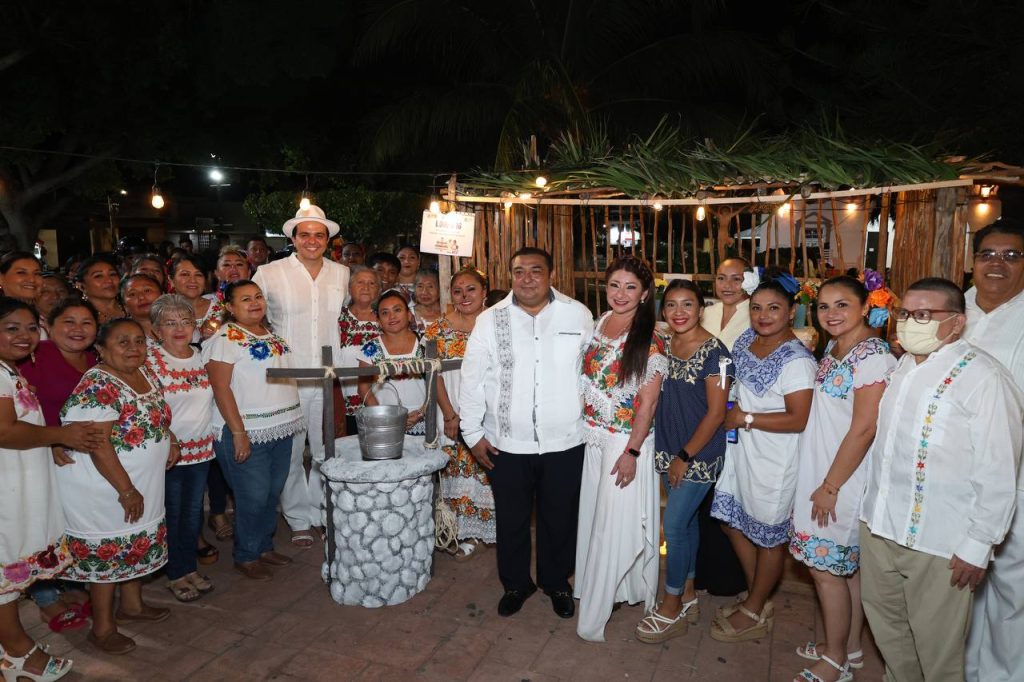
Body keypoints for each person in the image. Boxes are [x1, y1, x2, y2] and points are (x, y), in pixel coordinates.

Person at [860, 277, 1023, 682]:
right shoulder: (903, 365)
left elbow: (999, 467)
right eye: (905, 313)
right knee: (891, 636)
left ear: (956, 322)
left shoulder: (984, 377)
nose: (909, 322)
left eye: (923, 314)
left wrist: (979, 544)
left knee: (938, 656)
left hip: (939, 543)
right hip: (880, 527)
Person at [460, 247, 594, 619]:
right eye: (519, 271)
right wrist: (472, 434)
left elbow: (592, 373)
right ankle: (516, 583)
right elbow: (471, 379)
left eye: (536, 270)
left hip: (567, 440)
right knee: (512, 519)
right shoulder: (490, 320)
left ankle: (556, 582)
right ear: (511, 276)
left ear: (552, 275)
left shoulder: (577, 314)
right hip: (505, 442)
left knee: (560, 517)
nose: (527, 278)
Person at [788, 276, 895, 682]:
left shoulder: (873, 357)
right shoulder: (836, 347)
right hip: (822, 469)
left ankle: (834, 662)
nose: (831, 314)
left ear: (865, 307)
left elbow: (865, 428)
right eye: (823, 306)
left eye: (842, 305)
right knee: (845, 570)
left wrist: (831, 486)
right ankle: (849, 648)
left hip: (843, 478)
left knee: (826, 570)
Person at [58, 318, 177, 655]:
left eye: (139, 341)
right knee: (109, 553)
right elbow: (98, 444)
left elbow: (154, 415)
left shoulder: (143, 372)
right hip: (104, 487)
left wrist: (170, 438)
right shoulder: (97, 384)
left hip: (140, 481)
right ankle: (102, 628)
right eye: (122, 342)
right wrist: (126, 489)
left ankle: (133, 606)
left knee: (133, 540)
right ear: (100, 348)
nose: (133, 348)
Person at [0, 297, 103, 681]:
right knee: (4, 575)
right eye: (11, 328)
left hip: (17, 480)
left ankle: (9, 652)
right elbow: (4, 431)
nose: (24, 336)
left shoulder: (9, 370)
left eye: (31, 328)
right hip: (6, 485)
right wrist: (61, 434)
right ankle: (18, 650)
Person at [709, 270, 815, 643]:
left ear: (791, 312)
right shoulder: (745, 341)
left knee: (768, 538)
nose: (763, 315)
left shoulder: (797, 360)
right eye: (756, 308)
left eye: (773, 308)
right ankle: (759, 595)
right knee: (731, 521)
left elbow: (799, 418)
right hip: (740, 449)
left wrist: (746, 418)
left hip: (775, 458)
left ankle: (754, 608)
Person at [635, 280, 733, 644]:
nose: (679, 312)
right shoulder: (665, 343)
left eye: (687, 304)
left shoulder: (718, 354)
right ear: (663, 311)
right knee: (687, 524)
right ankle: (688, 593)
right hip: (667, 447)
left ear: (700, 309)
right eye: (671, 305)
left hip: (697, 454)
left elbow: (717, 413)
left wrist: (685, 456)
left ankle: (671, 603)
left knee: (674, 527)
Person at [574, 256, 666, 642]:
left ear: (644, 294)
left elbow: (648, 404)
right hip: (594, 437)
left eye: (631, 287)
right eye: (614, 285)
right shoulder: (600, 323)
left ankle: (593, 616)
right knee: (595, 519)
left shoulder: (650, 339)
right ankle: (611, 589)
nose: (621, 293)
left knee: (611, 527)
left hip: (624, 444)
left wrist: (632, 452)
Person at [252, 204, 349, 547]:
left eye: (319, 235)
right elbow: (251, 317)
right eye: (304, 234)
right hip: (286, 376)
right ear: (293, 238)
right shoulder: (269, 273)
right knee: (291, 453)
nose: (312, 240)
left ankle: (322, 511)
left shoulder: (341, 274)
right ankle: (297, 518)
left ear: (328, 240)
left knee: (325, 449)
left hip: (326, 375)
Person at [203, 280, 305, 581]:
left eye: (258, 296)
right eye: (245, 299)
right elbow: (220, 387)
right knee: (253, 496)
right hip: (246, 431)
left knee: (271, 493)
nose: (254, 302)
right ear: (230, 307)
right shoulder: (225, 339)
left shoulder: (272, 335)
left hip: (280, 427)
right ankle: (246, 554)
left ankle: (263, 546)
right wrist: (238, 433)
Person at [964, 221, 1024, 682]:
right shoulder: (952, 309)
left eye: (1012, 255)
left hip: (1015, 474)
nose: (997, 264)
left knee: (1011, 587)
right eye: (988, 254)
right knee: (960, 584)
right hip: (951, 471)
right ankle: (962, 670)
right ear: (973, 261)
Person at [17, 298, 98, 633]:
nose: (78, 330)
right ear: (49, 327)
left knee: (73, 522)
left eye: (86, 322)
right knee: (43, 525)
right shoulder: (34, 358)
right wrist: (51, 441)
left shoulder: (96, 358)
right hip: (42, 454)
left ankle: (74, 584)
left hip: (84, 459)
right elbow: (21, 412)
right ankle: (46, 597)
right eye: (68, 321)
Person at [147, 295, 218, 602]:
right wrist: (167, 438)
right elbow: (147, 408)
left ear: (195, 326)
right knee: (172, 514)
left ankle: (188, 567)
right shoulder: (149, 361)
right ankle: (175, 574)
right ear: (156, 330)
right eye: (170, 323)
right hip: (168, 453)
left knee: (192, 514)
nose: (179, 329)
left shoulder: (203, 355)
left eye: (186, 322)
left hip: (201, 450)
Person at [424, 267, 494, 560]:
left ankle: (493, 528)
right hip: (452, 410)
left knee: (490, 471)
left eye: (471, 289)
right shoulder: (436, 330)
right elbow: (434, 376)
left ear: (484, 292)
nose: (464, 296)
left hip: (492, 413)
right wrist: (450, 415)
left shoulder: (496, 324)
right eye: (457, 291)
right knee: (457, 471)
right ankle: (463, 532)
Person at [695, 257, 752, 597]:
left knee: (728, 491)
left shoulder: (755, 313)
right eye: (721, 278)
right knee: (703, 489)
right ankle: (702, 570)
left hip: (733, 411)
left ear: (749, 282)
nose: (728, 285)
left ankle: (731, 578)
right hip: (700, 407)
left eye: (736, 278)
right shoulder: (707, 313)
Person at [357, 289, 426, 435]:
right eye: (385, 313)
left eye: (397, 310)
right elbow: (363, 388)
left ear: (409, 315)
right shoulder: (371, 348)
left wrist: (421, 413)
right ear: (378, 321)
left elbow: (437, 384)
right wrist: (385, 417)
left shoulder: (425, 343)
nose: (392, 316)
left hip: (423, 419)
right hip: (384, 422)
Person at [337, 266, 381, 435]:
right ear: (349, 288)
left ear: (379, 289)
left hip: (380, 396)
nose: (365, 287)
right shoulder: (338, 317)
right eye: (360, 282)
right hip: (344, 396)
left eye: (371, 283)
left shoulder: (386, 317)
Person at [168, 256, 213, 344]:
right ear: (171, 280)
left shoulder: (222, 312)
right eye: (185, 274)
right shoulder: (161, 313)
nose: (193, 280)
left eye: (198, 275)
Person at [74, 254, 125, 324]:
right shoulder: (78, 315)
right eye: (98, 276)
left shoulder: (131, 307)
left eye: (112, 274)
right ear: (81, 286)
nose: (109, 280)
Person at [120, 274, 162, 343]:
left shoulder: (180, 325)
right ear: (125, 306)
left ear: (163, 295)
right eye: (132, 294)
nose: (141, 297)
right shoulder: (121, 337)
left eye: (147, 290)